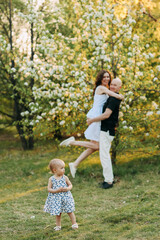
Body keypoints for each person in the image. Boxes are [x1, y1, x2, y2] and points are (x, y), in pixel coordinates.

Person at [60, 70, 123, 178]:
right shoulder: (101, 88)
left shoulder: (105, 88)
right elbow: (114, 95)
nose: (107, 79)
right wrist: (121, 96)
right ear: (100, 78)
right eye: (104, 77)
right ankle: (72, 142)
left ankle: (74, 164)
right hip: (97, 117)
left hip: (98, 116)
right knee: (97, 146)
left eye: (108, 77)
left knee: (94, 146)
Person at [87, 78, 122, 189]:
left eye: (115, 85)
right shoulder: (112, 97)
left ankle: (109, 182)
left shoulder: (113, 100)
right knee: (104, 155)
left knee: (104, 156)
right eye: (112, 84)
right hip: (106, 129)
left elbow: (106, 115)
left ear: (119, 87)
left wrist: (92, 120)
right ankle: (108, 179)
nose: (112, 86)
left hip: (107, 130)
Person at [43, 158, 78, 231]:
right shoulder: (51, 179)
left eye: (64, 168)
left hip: (66, 197)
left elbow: (70, 185)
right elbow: (49, 189)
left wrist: (67, 189)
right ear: (55, 170)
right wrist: (56, 190)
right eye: (61, 168)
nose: (64, 169)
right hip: (56, 199)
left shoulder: (65, 177)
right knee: (58, 213)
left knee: (70, 211)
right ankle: (58, 226)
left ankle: (74, 223)